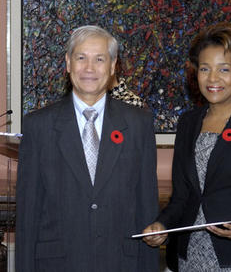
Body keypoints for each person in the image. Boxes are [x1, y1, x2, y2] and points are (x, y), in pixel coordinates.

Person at [16, 25, 159, 272]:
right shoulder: (38, 125)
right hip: (56, 264)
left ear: (113, 66)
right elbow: (28, 216)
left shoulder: (138, 124)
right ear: (68, 63)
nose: (89, 68)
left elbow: (147, 208)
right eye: (81, 58)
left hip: (122, 263)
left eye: (99, 59)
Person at [143, 22, 231, 271]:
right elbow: (181, 198)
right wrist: (161, 225)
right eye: (205, 69)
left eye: (223, 69)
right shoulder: (188, 123)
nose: (212, 78)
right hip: (188, 257)